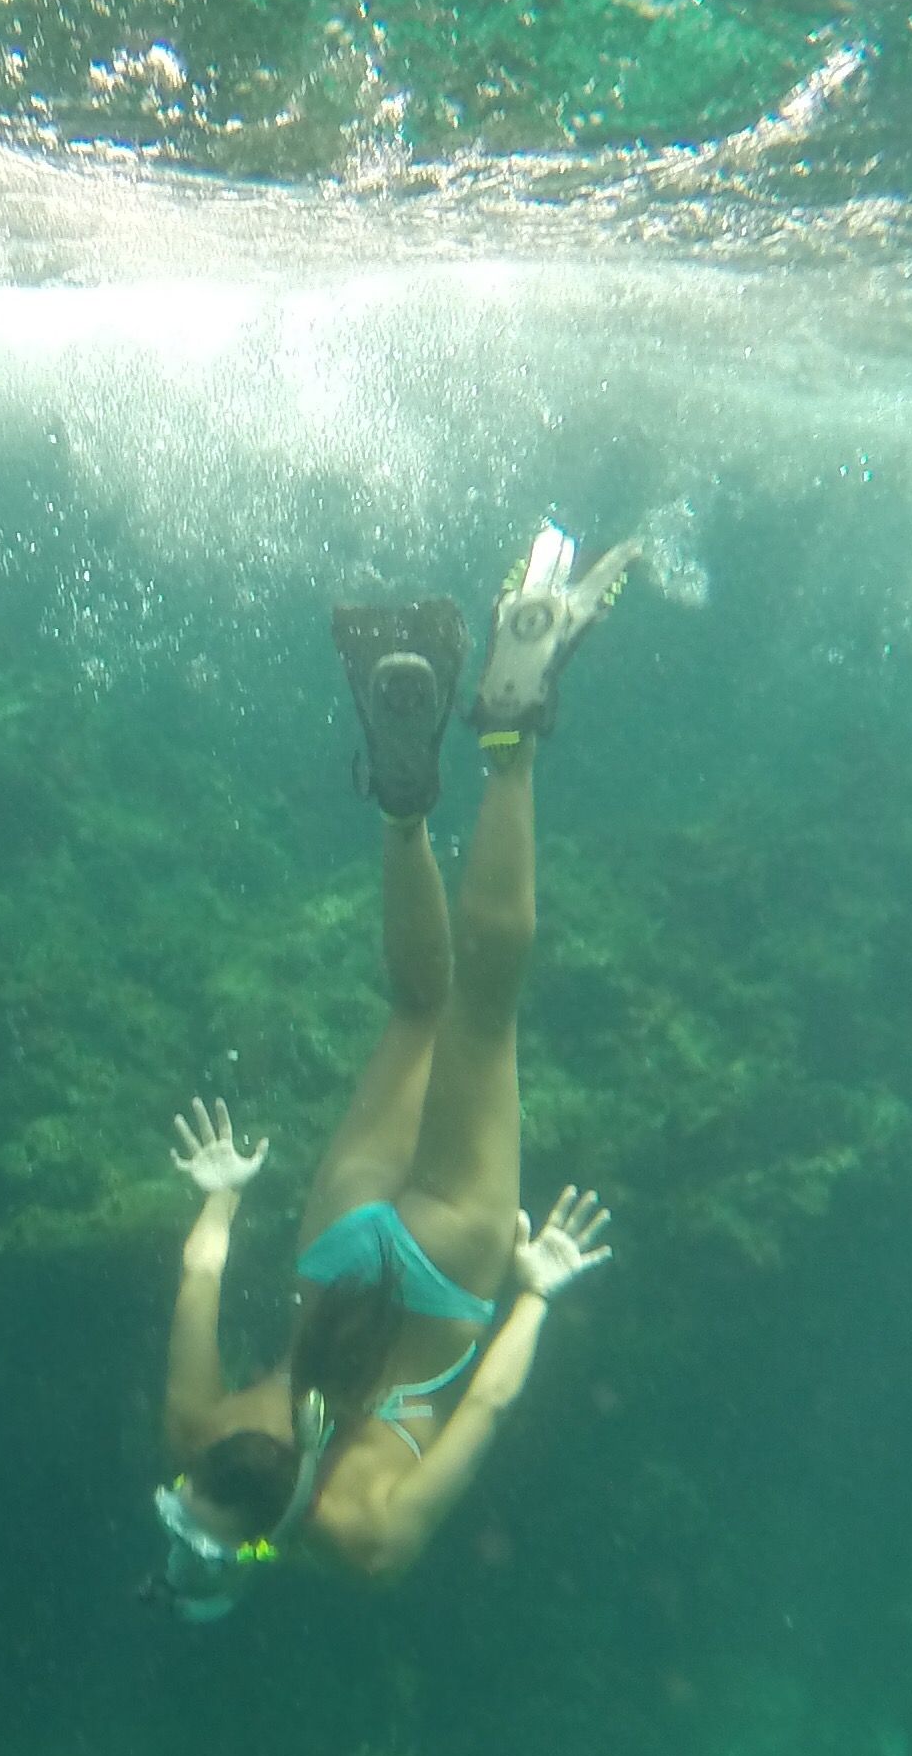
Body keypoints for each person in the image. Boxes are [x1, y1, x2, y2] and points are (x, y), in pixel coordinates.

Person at [150, 527, 628, 1617]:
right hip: (341, 1244)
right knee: (422, 1006)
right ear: (187, 1491)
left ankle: (514, 736)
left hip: (453, 1271)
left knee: (485, 1012)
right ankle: (405, 803)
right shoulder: (195, 1431)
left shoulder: (363, 1542)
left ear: (264, 1549)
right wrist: (223, 1196)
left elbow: (488, 1412)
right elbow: (197, 1281)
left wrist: (536, 1296)